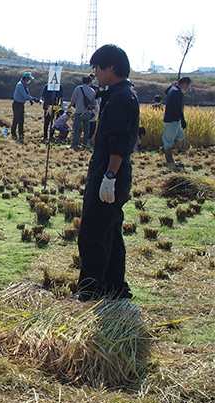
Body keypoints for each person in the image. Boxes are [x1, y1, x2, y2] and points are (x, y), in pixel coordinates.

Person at [76, 44, 140, 302]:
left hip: (110, 174)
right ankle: (115, 289)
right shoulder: (119, 94)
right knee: (110, 232)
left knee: (92, 233)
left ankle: (91, 291)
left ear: (111, 67)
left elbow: (119, 141)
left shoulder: (121, 97)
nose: (96, 74)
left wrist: (109, 177)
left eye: (98, 68)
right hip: (110, 173)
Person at [162, 76, 191, 167]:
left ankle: (166, 148)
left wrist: (171, 86)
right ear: (185, 84)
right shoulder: (176, 92)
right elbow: (178, 108)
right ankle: (169, 161)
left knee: (181, 135)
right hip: (171, 120)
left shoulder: (173, 90)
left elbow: (166, 92)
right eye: (188, 86)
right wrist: (183, 120)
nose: (187, 88)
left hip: (174, 120)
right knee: (169, 141)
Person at [69, 76, 97, 149]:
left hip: (78, 112)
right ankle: (84, 144)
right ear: (90, 82)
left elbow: (73, 101)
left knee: (76, 129)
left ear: (82, 81)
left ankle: (74, 145)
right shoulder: (92, 91)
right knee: (86, 130)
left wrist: (69, 107)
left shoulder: (78, 89)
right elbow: (94, 103)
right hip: (87, 112)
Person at [11, 72, 39, 144]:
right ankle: (13, 133)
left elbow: (26, 94)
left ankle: (21, 134)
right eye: (29, 79)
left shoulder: (24, 85)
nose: (29, 80)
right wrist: (32, 99)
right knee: (16, 119)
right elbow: (24, 95)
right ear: (25, 78)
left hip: (21, 104)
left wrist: (30, 99)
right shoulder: (20, 85)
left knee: (21, 120)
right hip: (17, 104)